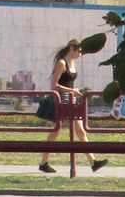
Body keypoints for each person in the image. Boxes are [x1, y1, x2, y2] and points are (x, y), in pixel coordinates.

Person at [38, 39, 106, 173]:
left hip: (72, 99)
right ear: (72, 48)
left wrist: (75, 92)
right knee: (55, 132)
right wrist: (72, 91)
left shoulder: (72, 62)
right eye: (79, 51)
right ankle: (43, 162)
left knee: (80, 130)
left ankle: (93, 162)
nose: (80, 54)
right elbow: (54, 85)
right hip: (62, 99)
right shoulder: (62, 63)